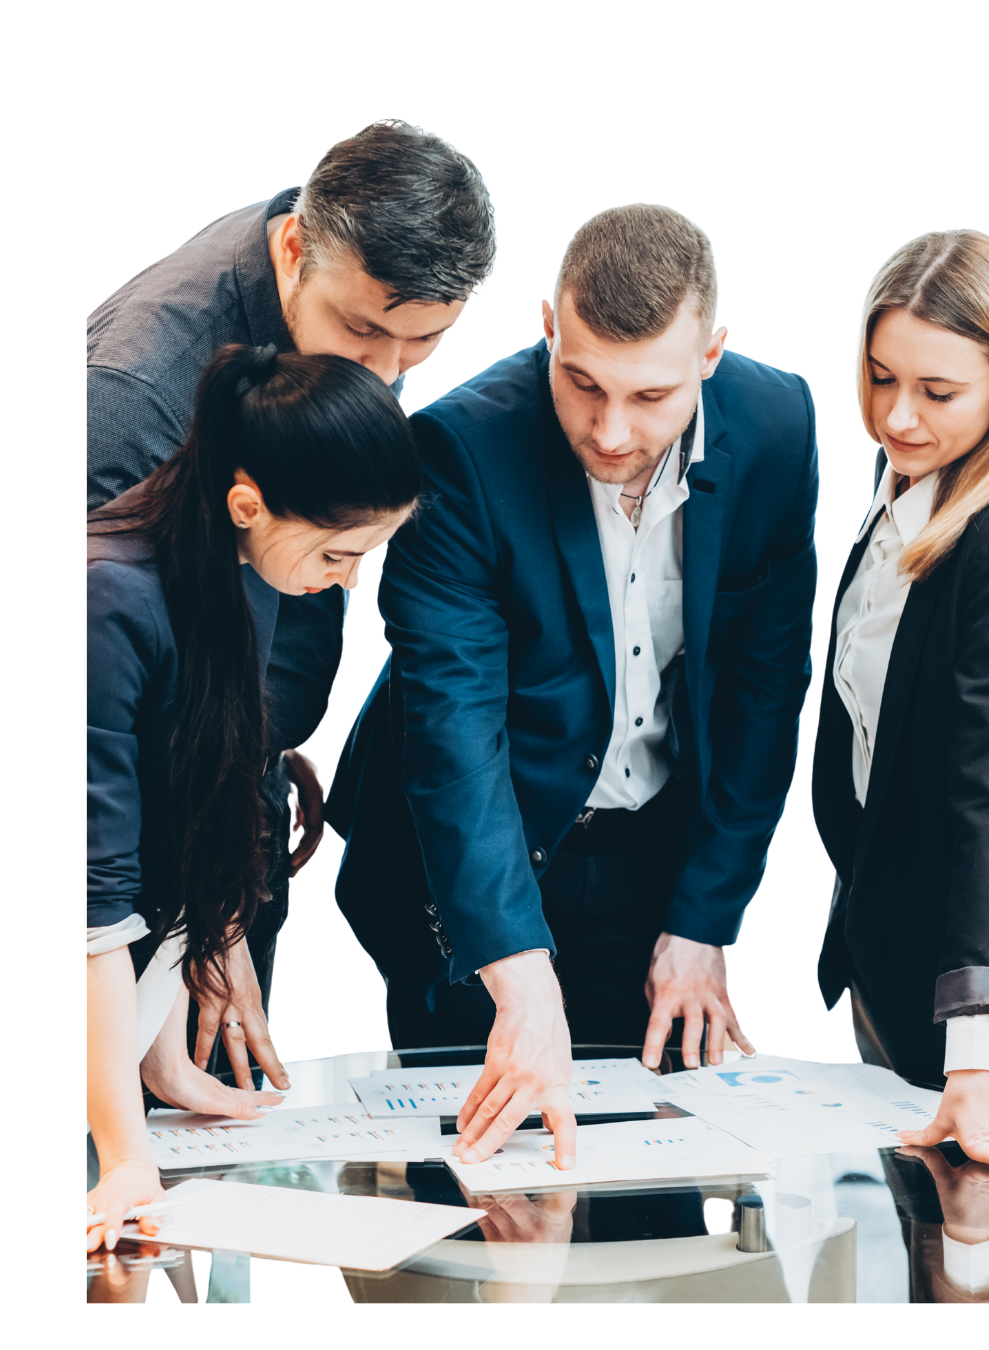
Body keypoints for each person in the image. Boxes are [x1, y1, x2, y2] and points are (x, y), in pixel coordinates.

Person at [326, 203, 820, 1170]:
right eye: (582, 381)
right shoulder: (456, 448)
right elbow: (453, 729)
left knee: (647, 1176)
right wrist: (518, 975)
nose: (610, 428)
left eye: (651, 396)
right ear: (549, 323)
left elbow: (765, 693)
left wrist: (703, 923)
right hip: (473, 860)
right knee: (475, 1185)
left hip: (655, 853)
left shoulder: (778, 425)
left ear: (712, 357)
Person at [86, 118, 497, 1089]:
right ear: (289, 251)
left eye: (424, 342)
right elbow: (111, 713)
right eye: (362, 332)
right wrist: (204, 902)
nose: (387, 371)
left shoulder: (357, 315)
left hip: (222, 821)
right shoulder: (138, 396)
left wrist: (256, 790)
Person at [86, 342, 422, 1252]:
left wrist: (166, 1067)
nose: (348, 578)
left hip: (120, 1028)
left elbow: (204, 802)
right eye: (340, 551)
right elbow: (96, 910)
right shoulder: (109, 602)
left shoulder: (242, 562)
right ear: (248, 504)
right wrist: (125, 1153)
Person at [810, 228, 989, 1174]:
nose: (898, 417)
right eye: (880, 377)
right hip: (889, 958)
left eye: (938, 393)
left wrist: (978, 1051)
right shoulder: (905, 483)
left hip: (981, 1006)